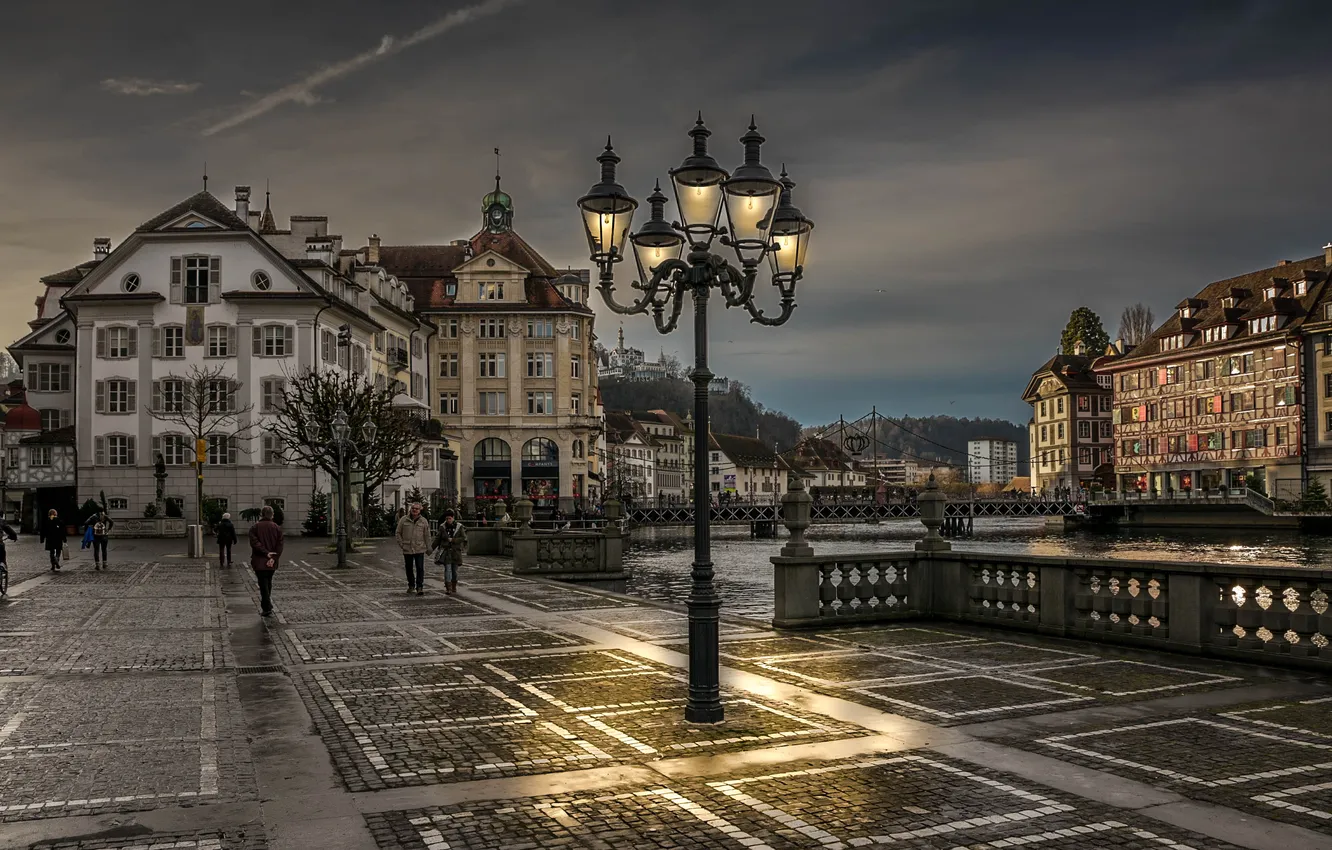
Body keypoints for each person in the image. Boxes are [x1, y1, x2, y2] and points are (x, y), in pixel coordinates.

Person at [248, 505, 284, 617]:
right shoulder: (277, 528)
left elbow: (255, 543)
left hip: (259, 560)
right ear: (272, 515)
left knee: (263, 584)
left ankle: (267, 607)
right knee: (268, 582)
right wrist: (273, 558)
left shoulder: (255, 527)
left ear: (261, 515)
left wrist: (265, 553)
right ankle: (267, 605)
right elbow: (280, 545)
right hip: (272, 561)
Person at [395, 501, 431, 595]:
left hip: (419, 548)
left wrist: (429, 547)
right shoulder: (404, 520)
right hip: (407, 548)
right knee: (409, 568)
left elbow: (427, 535)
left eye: (417, 509)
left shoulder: (423, 521)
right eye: (413, 508)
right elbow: (398, 533)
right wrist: (402, 544)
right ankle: (411, 585)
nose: (414, 510)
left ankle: (420, 587)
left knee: (420, 568)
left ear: (420, 510)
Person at [432, 509, 468, 595]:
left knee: (454, 570)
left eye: (449, 518)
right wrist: (430, 549)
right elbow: (437, 539)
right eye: (447, 518)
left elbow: (463, 537)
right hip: (446, 551)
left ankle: (454, 585)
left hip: (456, 552)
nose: (448, 520)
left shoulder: (459, 527)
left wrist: (454, 540)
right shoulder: (442, 527)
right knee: (447, 570)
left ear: (453, 518)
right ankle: (448, 587)